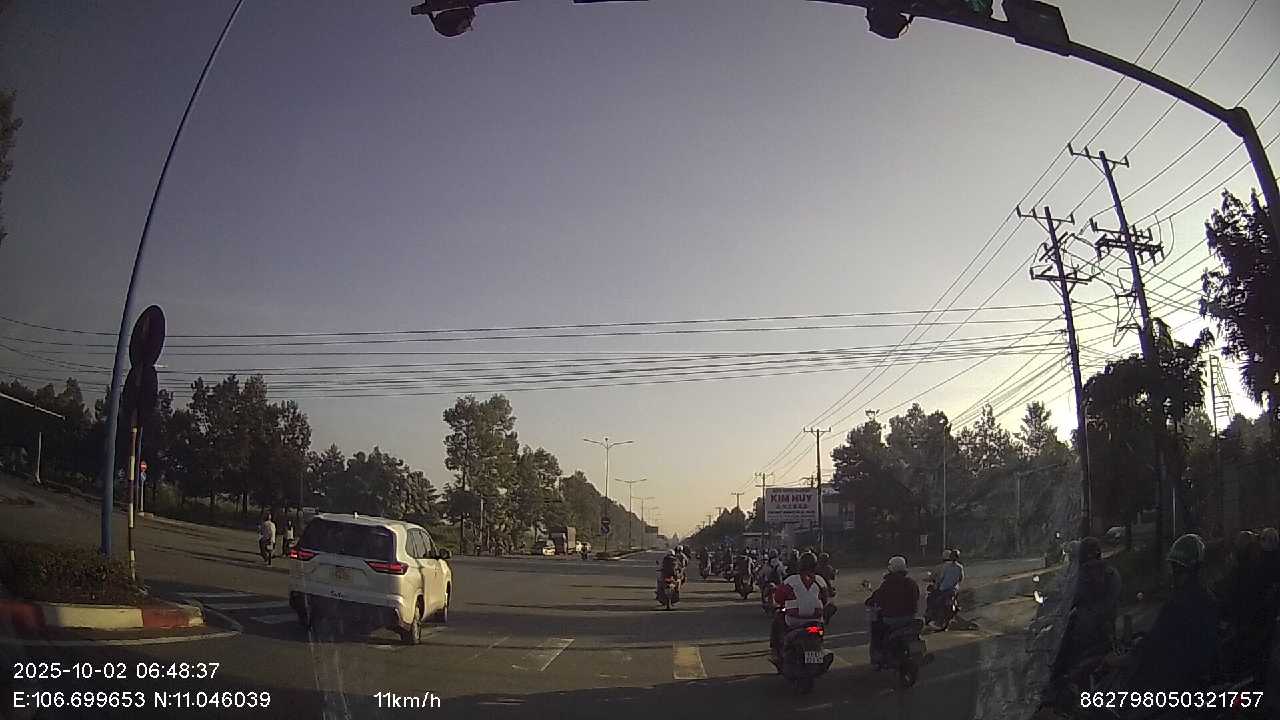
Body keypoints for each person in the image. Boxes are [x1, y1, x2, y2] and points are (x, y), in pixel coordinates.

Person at [1121, 533, 1219, 693]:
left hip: (1173, 681)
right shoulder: (1207, 598)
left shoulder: (1180, 603)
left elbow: (1155, 642)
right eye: (1175, 568)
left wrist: (1124, 659)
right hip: (1194, 678)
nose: (1175, 575)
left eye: (1179, 570)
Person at [1051, 537, 1120, 690]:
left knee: (1059, 664)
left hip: (1083, 633)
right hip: (1107, 633)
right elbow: (1114, 598)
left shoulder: (1080, 575)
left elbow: (1069, 600)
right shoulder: (1112, 573)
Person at [769, 551, 830, 664]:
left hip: (794, 623)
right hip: (815, 625)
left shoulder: (791, 580)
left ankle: (775, 652)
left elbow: (777, 598)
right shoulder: (820, 581)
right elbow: (825, 600)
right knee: (820, 633)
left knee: (777, 618)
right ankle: (818, 654)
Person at [864, 556, 920, 666]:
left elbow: (877, 599)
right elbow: (916, 597)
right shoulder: (911, 583)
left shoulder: (887, 584)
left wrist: (871, 601)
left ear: (891, 568)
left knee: (876, 629)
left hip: (891, 619)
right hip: (910, 617)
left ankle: (877, 656)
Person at [929, 548, 965, 627]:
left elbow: (941, 577)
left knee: (935, 601)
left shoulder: (946, 566)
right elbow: (961, 578)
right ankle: (955, 608)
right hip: (954, 589)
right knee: (954, 599)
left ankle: (937, 619)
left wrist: (937, 584)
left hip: (944, 589)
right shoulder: (960, 567)